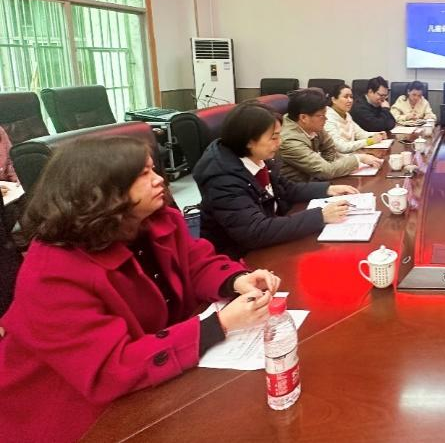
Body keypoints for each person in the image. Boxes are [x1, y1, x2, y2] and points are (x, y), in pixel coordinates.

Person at [0, 136, 283, 441]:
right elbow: (109, 369)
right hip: (75, 413)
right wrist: (219, 325)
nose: (159, 179)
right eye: (143, 174)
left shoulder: (156, 220)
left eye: (153, 169)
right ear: (101, 191)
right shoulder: (52, 273)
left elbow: (195, 262)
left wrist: (235, 280)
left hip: (154, 379)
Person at [193, 103, 357, 259]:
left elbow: (286, 188)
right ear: (249, 141)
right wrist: (319, 216)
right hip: (239, 258)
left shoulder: (257, 157)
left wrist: (327, 189)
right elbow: (255, 231)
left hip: (270, 237)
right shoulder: (223, 179)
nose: (280, 143)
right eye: (274, 138)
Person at [279, 88, 381, 183]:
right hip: (299, 189)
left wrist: (328, 167)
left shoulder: (312, 124)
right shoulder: (290, 140)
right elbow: (326, 171)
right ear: (303, 118)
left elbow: (329, 147)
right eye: (321, 115)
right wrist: (358, 159)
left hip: (316, 181)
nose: (326, 119)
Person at [325, 83, 387, 154]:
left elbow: (360, 134)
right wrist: (369, 141)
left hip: (351, 155)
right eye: (346, 97)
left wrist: (377, 134)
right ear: (334, 100)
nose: (350, 100)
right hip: (337, 158)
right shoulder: (327, 118)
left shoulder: (346, 114)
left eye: (351, 97)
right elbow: (341, 147)